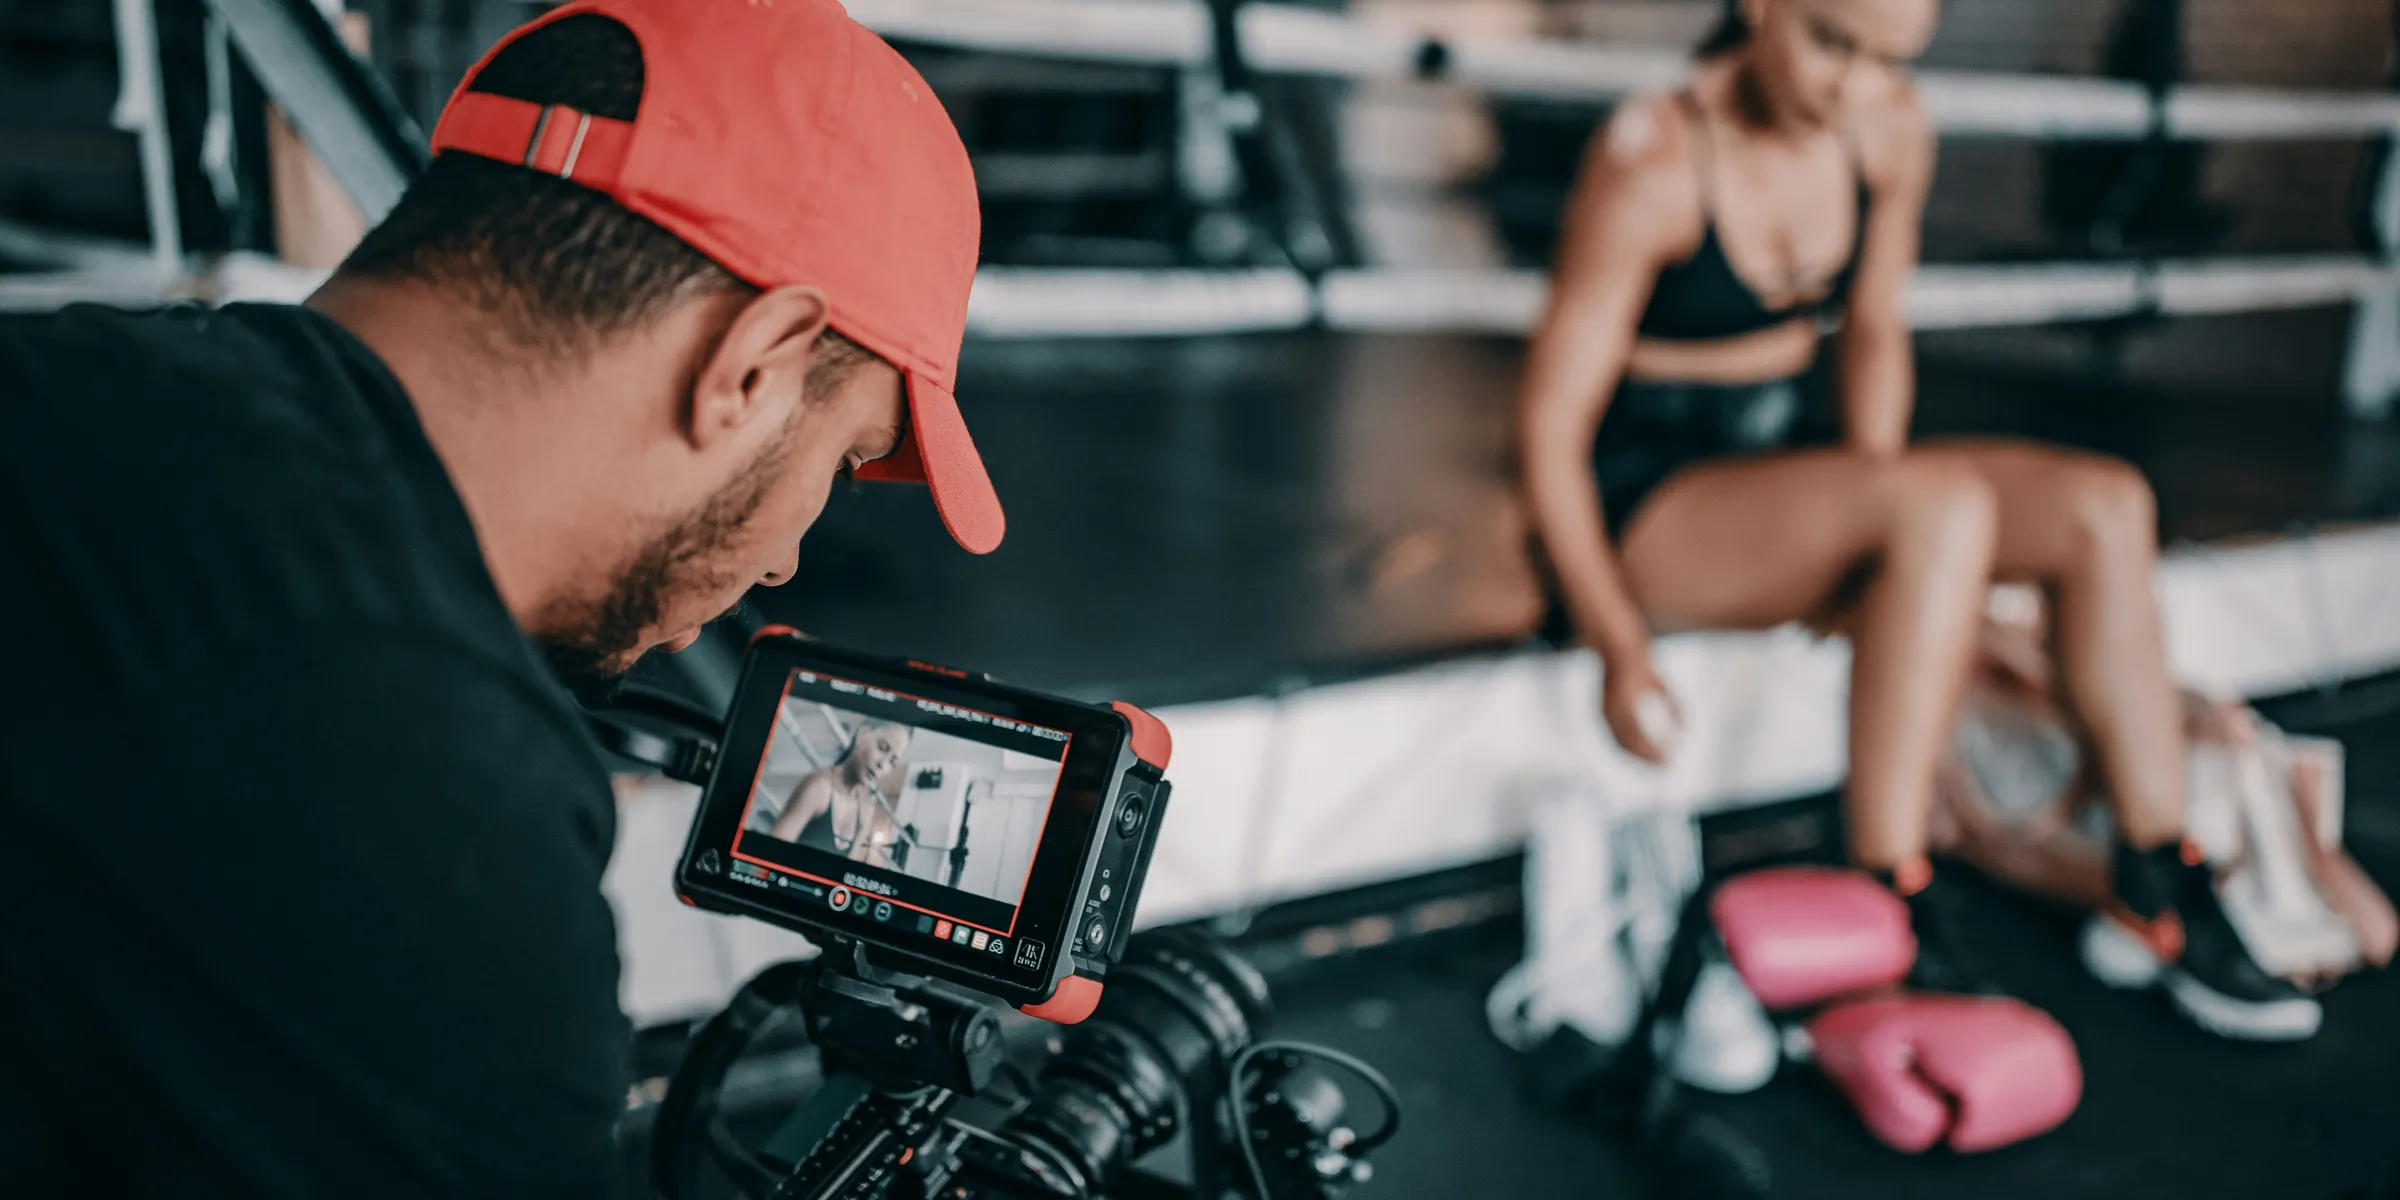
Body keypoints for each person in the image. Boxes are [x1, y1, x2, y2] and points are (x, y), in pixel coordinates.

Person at [0, 1, 998, 1193]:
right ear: (754, 363)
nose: (784, 559)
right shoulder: (436, 826)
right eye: (841, 460)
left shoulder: (64, 378)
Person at [1516, 0, 2318, 1039]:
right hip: (1652, 495)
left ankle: (2155, 877)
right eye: (1828, 42)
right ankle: (1889, 891)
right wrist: (1618, 642)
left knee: (2103, 505)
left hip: (1794, 465)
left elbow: (1876, 335)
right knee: (1932, 506)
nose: (1850, 85)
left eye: (1887, 60)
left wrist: (1873, 532)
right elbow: (1546, 429)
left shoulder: (1888, 126)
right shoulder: (1655, 151)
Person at [766, 721, 915, 866]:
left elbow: (845, 874)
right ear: (862, 735)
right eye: (882, 748)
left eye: (892, 761)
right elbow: (770, 854)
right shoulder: (819, 787)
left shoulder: (867, 808)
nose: (883, 764)